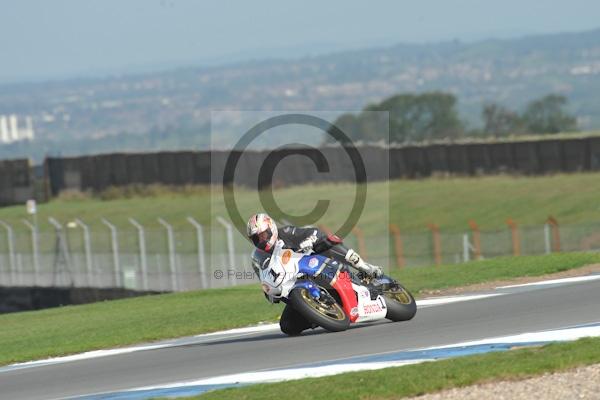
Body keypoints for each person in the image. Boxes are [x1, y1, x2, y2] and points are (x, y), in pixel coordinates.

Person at [246, 213, 382, 277]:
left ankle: (365, 267)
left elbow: (314, 232)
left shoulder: (286, 232)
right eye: (257, 238)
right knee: (287, 326)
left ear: (271, 228)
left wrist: (308, 241)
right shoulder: (261, 255)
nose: (262, 240)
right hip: (294, 281)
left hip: (316, 262)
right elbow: (264, 278)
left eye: (263, 235)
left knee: (329, 241)